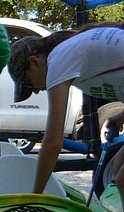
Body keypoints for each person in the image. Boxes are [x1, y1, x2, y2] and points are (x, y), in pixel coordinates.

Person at [8, 26, 124, 201]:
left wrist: (35, 196)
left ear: (34, 62)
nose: (37, 91)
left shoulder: (59, 60)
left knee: (122, 180)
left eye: (29, 85)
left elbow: (53, 142)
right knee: (116, 167)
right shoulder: (71, 51)